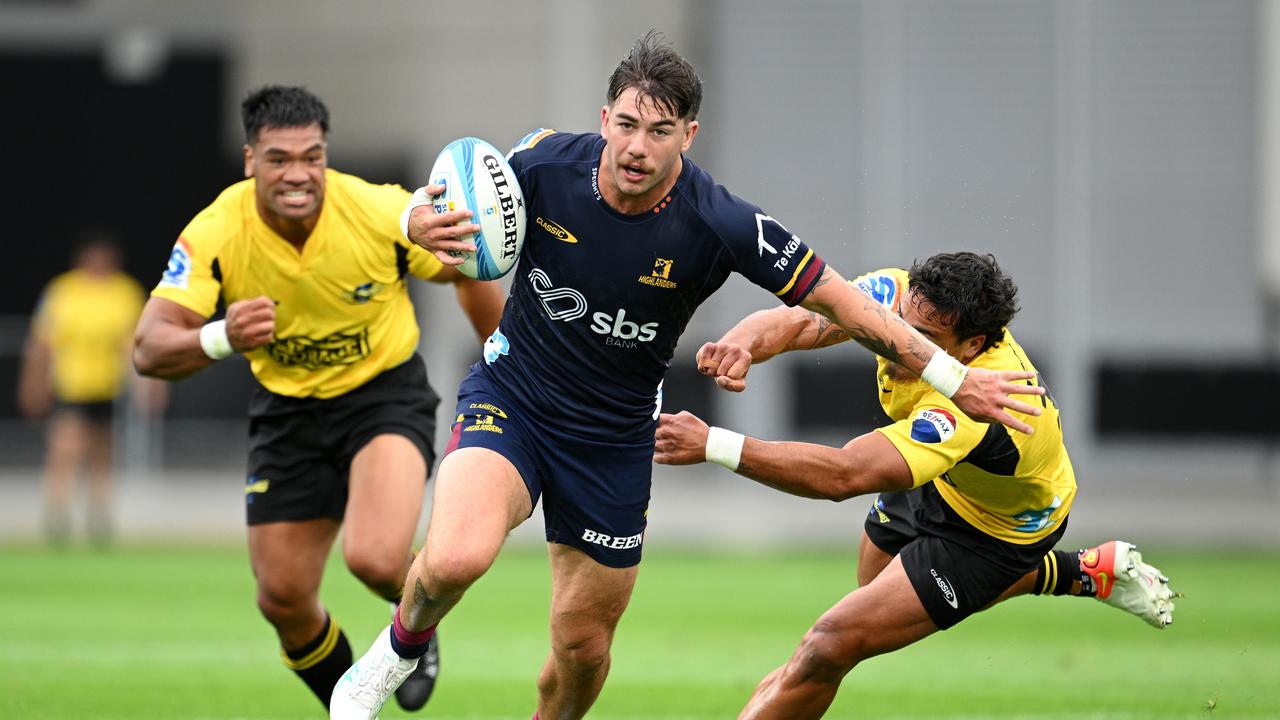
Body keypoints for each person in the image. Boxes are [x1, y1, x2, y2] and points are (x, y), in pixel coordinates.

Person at [332, 34, 1047, 720]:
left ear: (689, 135)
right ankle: (397, 653)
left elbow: (843, 302)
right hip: (515, 397)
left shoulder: (720, 220)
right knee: (455, 557)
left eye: (660, 130)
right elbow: (437, 198)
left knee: (582, 651)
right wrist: (417, 219)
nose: (638, 147)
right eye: (627, 124)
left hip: (613, 440)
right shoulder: (542, 162)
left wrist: (954, 378)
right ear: (603, 119)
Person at [653, 251, 1178, 719]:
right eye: (905, 327)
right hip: (937, 471)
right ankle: (1082, 572)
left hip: (994, 533)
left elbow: (846, 474)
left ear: (972, 346)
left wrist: (713, 445)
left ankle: (1060, 570)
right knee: (868, 589)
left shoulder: (976, 407)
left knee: (829, 644)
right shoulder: (898, 298)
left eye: (926, 342)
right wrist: (743, 341)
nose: (906, 346)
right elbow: (802, 320)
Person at [132, 86, 505, 713]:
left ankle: (414, 615)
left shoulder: (376, 210)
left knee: (375, 557)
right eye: (280, 159)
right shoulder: (217, 231)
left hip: (382, 394)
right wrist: (222, 335)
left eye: (313, 156)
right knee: (281, 596)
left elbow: (468, 262)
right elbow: (148, 348)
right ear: (250, 159)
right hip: (288, 410)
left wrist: (501, 356)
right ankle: (348, 703)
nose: (299, 174)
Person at [18, 233, 162, 546]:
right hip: (71, 386)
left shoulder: (123, 292)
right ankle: (57, 516)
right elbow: (42, 343)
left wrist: (147, 384)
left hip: (107, 387)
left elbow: (134, 343)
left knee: (102, 454)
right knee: (64, 450)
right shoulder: (63, 291)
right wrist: (33, 383)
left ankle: (99, 518)